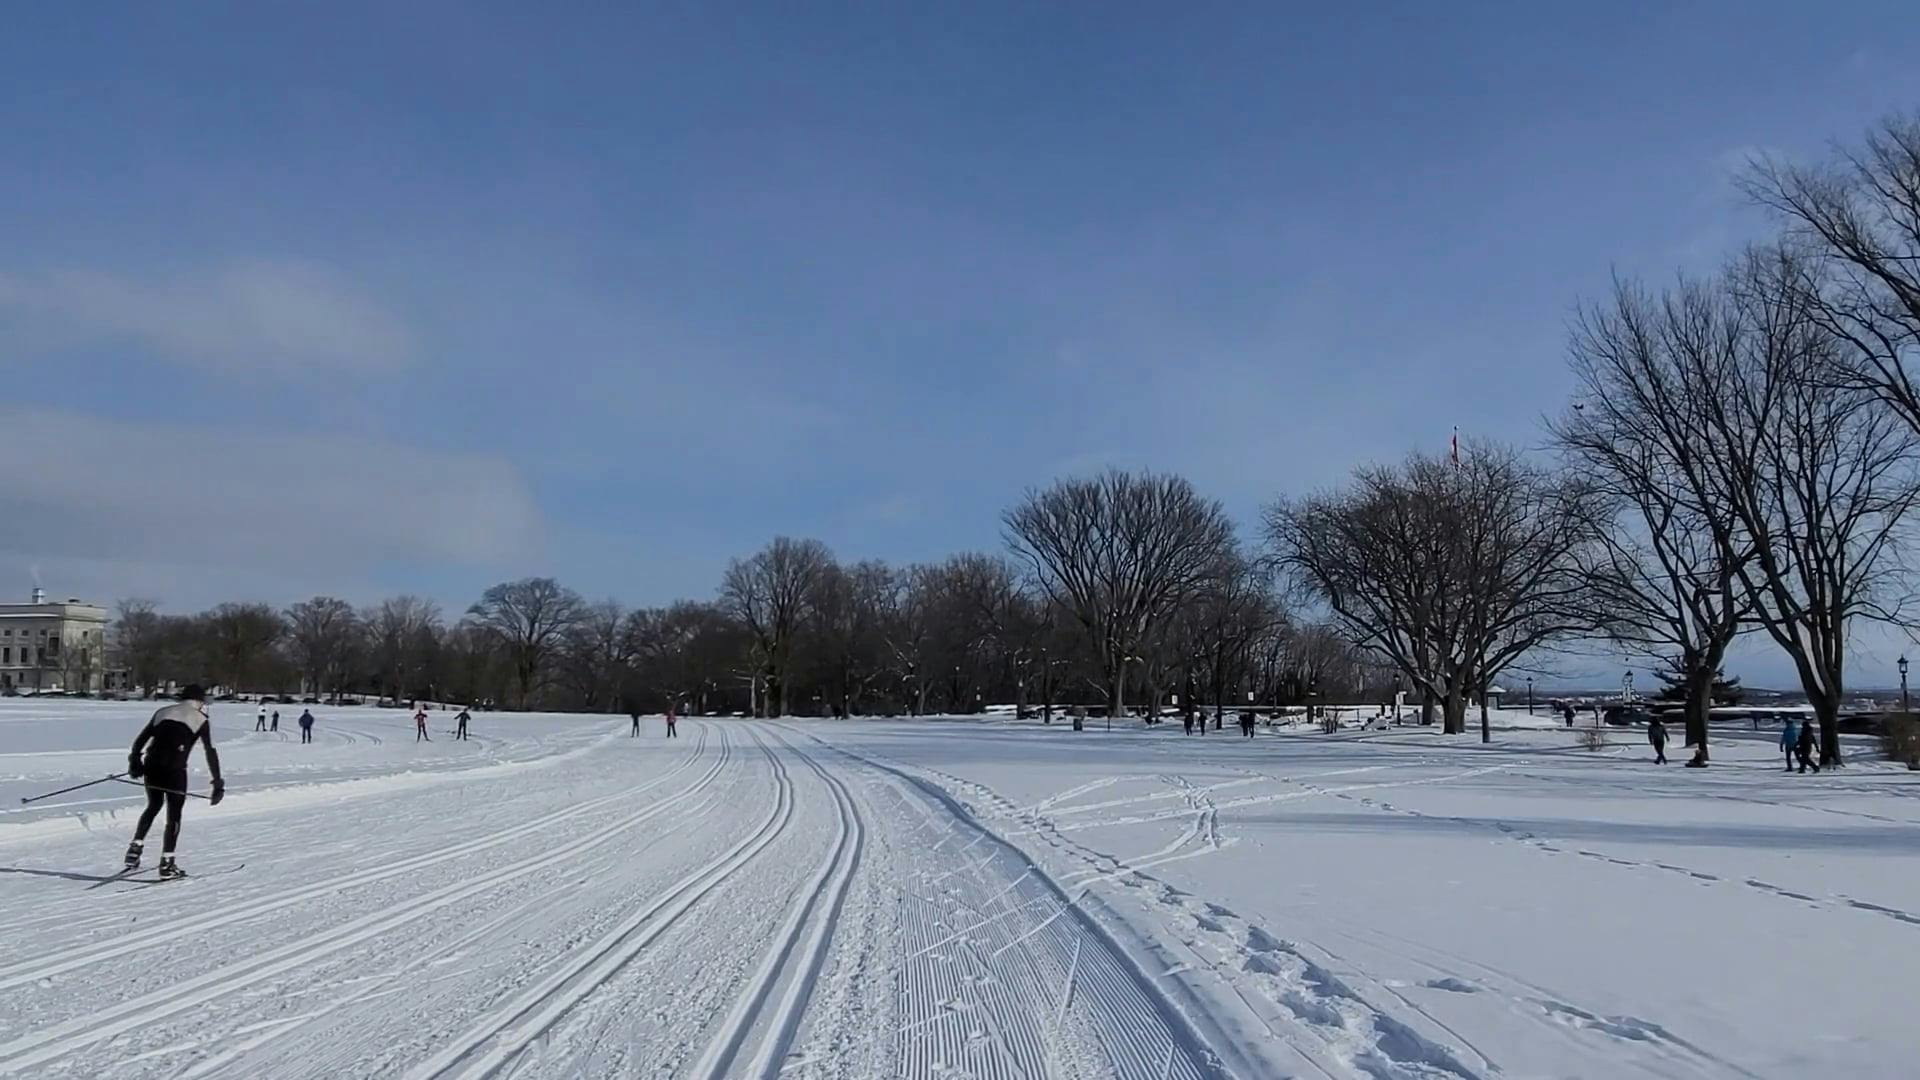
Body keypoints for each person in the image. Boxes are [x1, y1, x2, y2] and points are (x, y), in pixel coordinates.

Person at [124, 684, 225, 878]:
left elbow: (139, 741)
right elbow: (210, 751)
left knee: (153, 805)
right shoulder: (201, 719)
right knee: (174, 815)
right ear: (200, 701)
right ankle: (167, 863)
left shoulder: (163, 712)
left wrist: (135, 761)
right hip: (175, 770)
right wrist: (217, 782)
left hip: (151, 766)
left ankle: (135, 847)